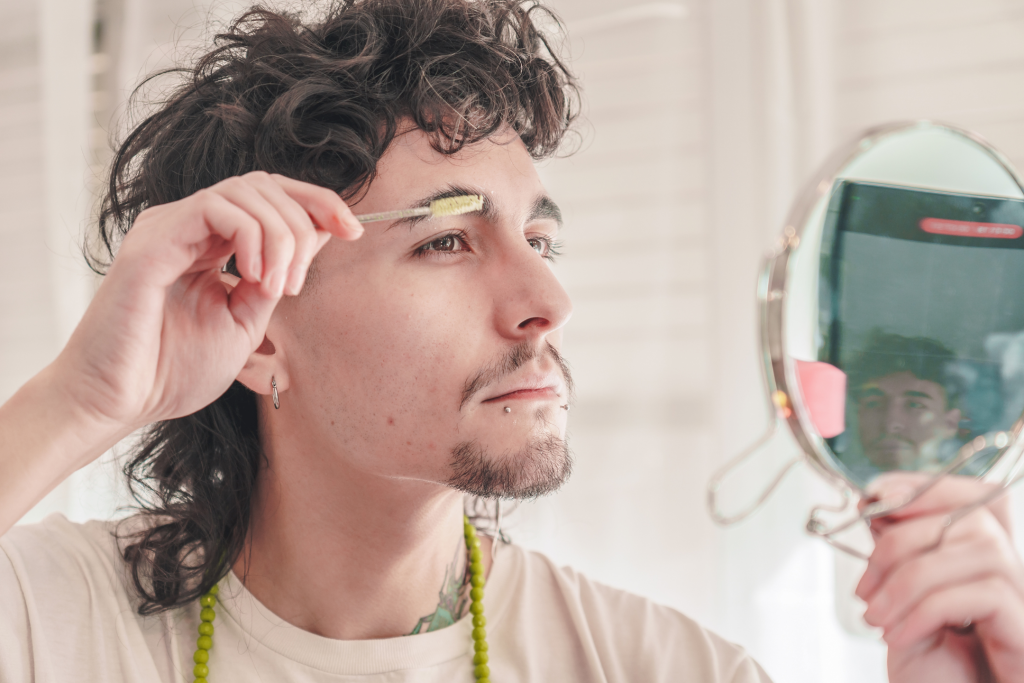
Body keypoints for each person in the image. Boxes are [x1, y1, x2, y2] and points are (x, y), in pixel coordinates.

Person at [1, 2, 1022, 682]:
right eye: (447, 238)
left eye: (537, 235)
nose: (547, 297)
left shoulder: (657, 666)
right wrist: (78, 401)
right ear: (261, 333)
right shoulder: (51, 622)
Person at [849, 333, 964, 472]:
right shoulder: (826, 487)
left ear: (950, 423)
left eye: (915, 405)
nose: (890, 425)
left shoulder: (980, 488)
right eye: (874, 404)